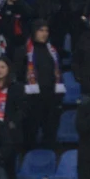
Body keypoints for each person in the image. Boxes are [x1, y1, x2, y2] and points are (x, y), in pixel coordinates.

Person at [13, 20, 63, 152]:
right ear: (34, 32)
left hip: (50, 98)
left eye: (46, 31)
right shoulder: (24, 51)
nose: (44, 34)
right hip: (31, 100)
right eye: (41, 30)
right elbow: (18, 75)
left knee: (50, 132)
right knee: (30, 134)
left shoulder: (52, 50)